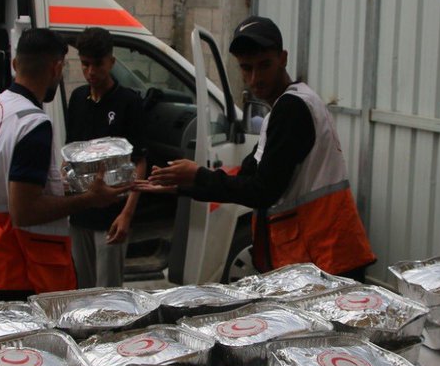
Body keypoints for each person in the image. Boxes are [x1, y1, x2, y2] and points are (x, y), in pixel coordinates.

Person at [139, 15, 375, 280]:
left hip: (326, 259)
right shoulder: (284, 106)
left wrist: (198, 176)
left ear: (283, 58)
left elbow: (263, 190)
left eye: (264, 66)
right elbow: (248, 175)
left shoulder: (292, 109)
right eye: (246, 68)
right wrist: (184, 186)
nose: (255, 78)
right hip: (313, 258)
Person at [0, 28, 125, 301]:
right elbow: (24, 211)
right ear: (56, 67)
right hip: (14, 270)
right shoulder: (32, 124)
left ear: (15, 64)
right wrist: (90, 198)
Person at [65, 27, 147, 287]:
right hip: (79, 213)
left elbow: (140, 162)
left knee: (108, 295)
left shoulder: (128, 102)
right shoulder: (77, 98)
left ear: (111, 62)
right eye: (85, 64)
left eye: (97, 64)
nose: (91, 71)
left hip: (111, 215)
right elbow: (71, 153)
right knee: (82, 292)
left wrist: (127, 215)